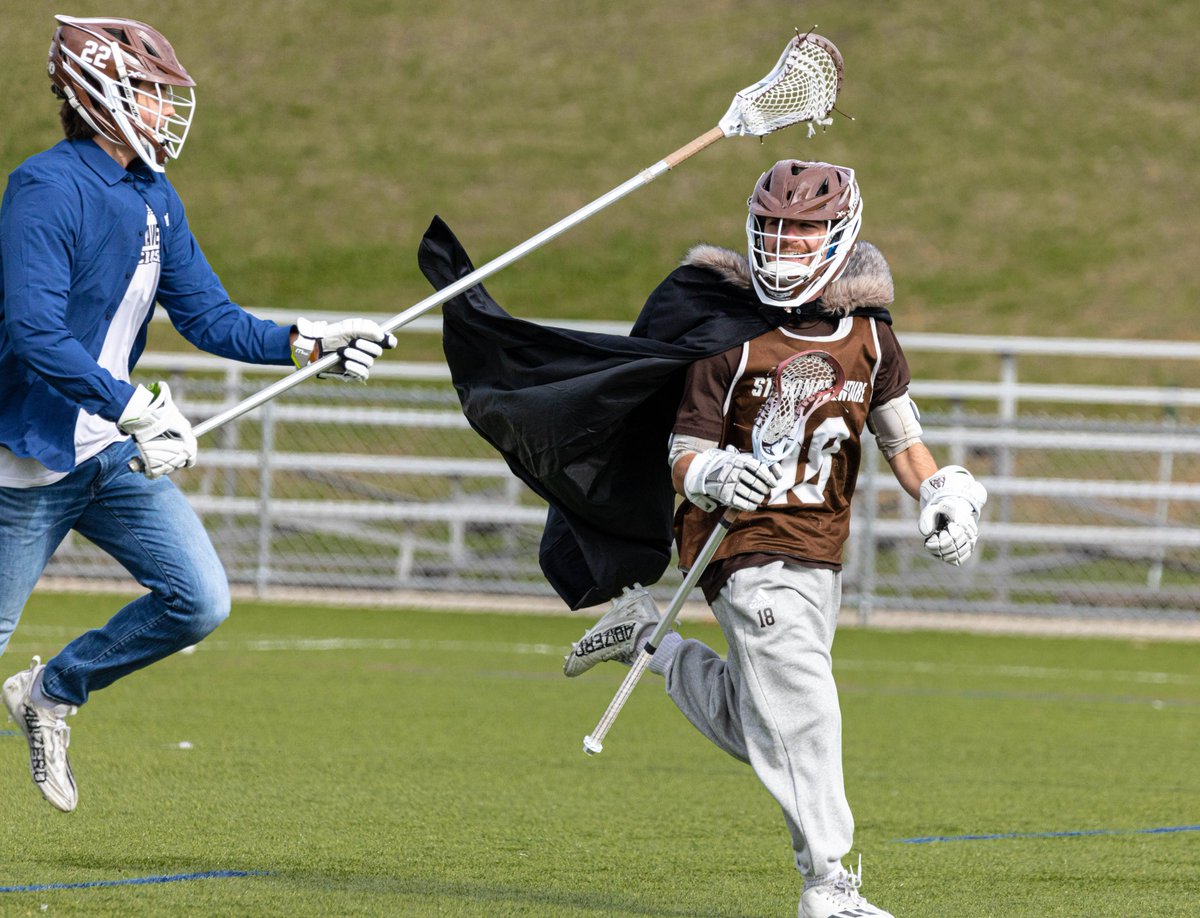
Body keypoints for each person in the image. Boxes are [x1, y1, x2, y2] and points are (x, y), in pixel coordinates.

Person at [564, 160, 987, 918]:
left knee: (770, 717)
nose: (787, 249)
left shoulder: (872, 337)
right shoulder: (729, 341)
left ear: (839, 237)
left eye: (804, 235)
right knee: (807, 711)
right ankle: (828, 886)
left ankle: (649, 645)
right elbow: (681, 452)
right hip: (739, 546)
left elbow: (901, 437)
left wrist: (940, 494)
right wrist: (713, 475)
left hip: (821, 545)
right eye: (776, 233)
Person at [0, 15, 397, 813]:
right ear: (100, 94)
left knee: (200, 599)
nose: (165, 109)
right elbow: (32, 330)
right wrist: (136, 407)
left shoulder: (154, 192)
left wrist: (310, 340)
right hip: (22, 462)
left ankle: (51, 691)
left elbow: (210, 317)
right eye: (151, 93)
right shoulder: (46, 188)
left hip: (107, 451)